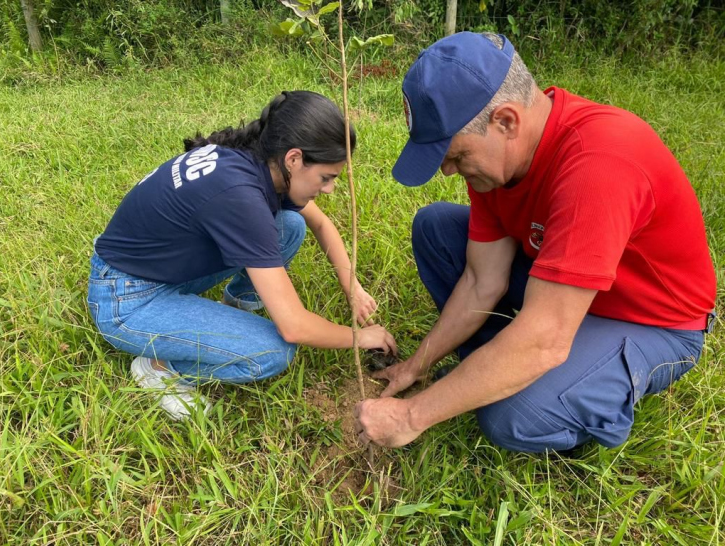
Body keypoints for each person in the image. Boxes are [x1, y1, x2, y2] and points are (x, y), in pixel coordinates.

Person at [354, 32, 716, 452]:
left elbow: (547, 336)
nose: (449, 172)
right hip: (563, 285)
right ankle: (506, 361)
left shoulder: (598, 166)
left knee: (512, 416)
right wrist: (416, 367)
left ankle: (569, 387)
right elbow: (479, 281)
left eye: (456, 156)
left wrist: (410, 416)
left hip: (648, 319)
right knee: (436, 226)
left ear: (506, 121)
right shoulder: (498, 165)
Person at [88, 91, 397, 421]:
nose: (330, 189)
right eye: (326, 177)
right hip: (126, 300)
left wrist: (353, 287)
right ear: (294, 158)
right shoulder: (240, 196)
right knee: (271, 352)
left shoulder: (252, 160)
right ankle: (158, 364)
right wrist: (360, 337)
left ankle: (235, 310)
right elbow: (293, 327)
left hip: (158, 268)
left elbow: (321, 224)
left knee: (288, 225)